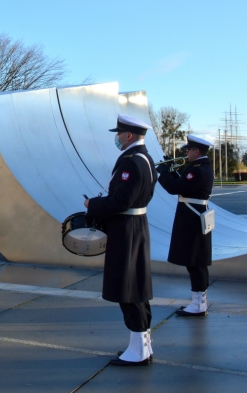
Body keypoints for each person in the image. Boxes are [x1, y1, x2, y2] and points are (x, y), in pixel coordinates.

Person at [85, 114, 156, 366]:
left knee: (128, 289)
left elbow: (120, 202)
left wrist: (92, 204)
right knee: (136, 288)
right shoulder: (145, 159)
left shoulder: (131, 162)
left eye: (119, 134)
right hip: (135, 227)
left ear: (128, 135)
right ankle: (141, 347)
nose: (117, 138)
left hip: (126, 230)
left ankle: (138, 352)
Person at [157, 135, 214, 317]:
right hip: (193, 216)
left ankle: (198, 305)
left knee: (194, 262)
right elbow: (183, 184)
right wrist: (172, 171)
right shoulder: (200, 167)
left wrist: (164, 173)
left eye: (188, 150)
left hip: (192, 219)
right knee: (197, 263)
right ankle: (199, 302)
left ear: (196, 152)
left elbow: (176, 188)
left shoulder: (198, 169)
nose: (186, 153)